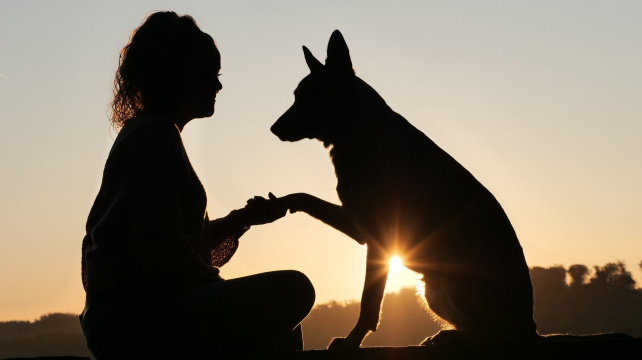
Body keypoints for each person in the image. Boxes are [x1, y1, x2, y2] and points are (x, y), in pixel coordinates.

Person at [79, 11, 315, 359]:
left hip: (127, 318)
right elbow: (159, 250)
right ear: (176, 75)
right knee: (296, 290)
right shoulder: (155, 135)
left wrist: (239, 221)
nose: (217, 86)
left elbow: (176, 242)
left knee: (284, 327)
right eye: (208, 76)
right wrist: (219, 291)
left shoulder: (153, 132)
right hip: (132, 321)